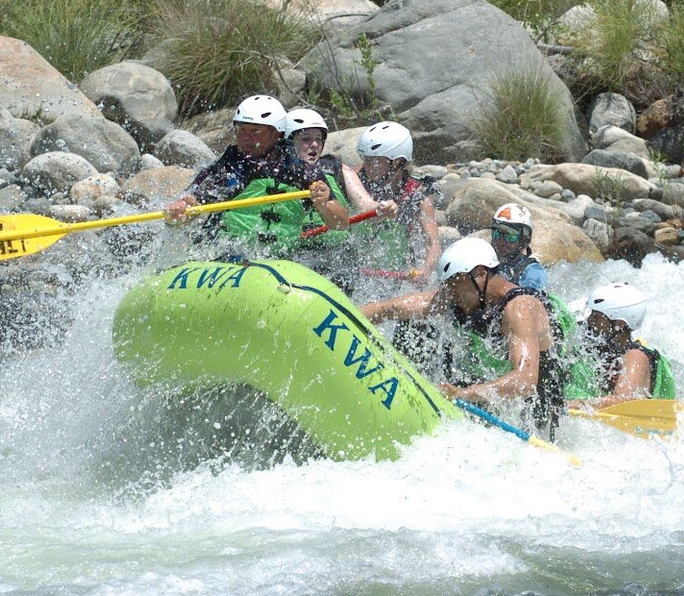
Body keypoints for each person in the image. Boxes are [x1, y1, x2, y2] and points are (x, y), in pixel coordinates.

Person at [361, 237, 566, 437]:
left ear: (480, 273)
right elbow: (393, 308)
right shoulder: (464, 292)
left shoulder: (519, 307)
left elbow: (526, 379)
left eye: (454, 285)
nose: (449, 293)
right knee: (413, 325)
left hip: (538, 406)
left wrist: (465, 394)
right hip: (493, 390)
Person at [164, 95, 347, 251]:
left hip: (285, 258)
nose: (246, 138)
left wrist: (323, 206)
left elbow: (341, 223)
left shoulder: (301, 171)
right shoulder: (228, 168)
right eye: (242, 130)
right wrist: (180, 211)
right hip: (227, 254)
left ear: (276, 135)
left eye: (255, 131)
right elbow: (191, 206)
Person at [565, 282, 676, 411]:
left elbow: (623, 401)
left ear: (620, 323)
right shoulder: (596, 352)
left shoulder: (635, 356)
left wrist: (570, 406)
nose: (589, 321)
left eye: (597, 317)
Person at [355, 121, 441, 286]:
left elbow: (433, 244)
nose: (366, 166)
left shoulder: (417, 195)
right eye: (365, 159)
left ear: (397, 162)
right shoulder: (356, 178)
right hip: (357, 263)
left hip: (397, 267)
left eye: (374, 161)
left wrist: (425, 271)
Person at [489, 203, 547, 291]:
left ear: (524, 241)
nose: (500, 241)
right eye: (497, 234)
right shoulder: (484, 262)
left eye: (510, 237)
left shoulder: (532, 271)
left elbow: (531, 300)